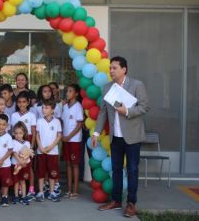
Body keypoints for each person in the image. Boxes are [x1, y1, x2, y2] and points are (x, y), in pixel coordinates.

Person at [91, 56, 150, 218]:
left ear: (124, 69)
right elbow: (103, 112)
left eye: (114, 68)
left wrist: (128, 112)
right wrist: (96, 133)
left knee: (132, 170)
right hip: (115, 138)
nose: (111, 71)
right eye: (110, 68)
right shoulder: (108, 87)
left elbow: (145, 107)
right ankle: (116, 201)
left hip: (132, 137)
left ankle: (131, 203)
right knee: (116, 170)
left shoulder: (137, 85)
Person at [10, 91, 37, 199]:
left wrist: (32, 146)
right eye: (19, 102)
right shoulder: (14, 115)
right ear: (17, 103)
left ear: (28, 102)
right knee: (18, 165)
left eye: (24, 102)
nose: (21, 104)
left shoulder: (31, 115)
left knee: (28, 166)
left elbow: (34, 132)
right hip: (16, 142)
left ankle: (31, 188)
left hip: (28, 142)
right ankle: (19, 189)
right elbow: (12, 131)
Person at [35, 100, 62, 202]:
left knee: (52, 173)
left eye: (46, 108)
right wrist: (41, 147)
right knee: (41, 173)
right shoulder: (39, 121)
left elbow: (59, 136)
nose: (43, 110)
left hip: (53, 152)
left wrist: (51, 147)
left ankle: (51, 192)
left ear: (53, 110)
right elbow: (37, 135)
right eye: (42, 107)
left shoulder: (57, 122)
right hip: (41, 151)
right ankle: (41, 192)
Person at [61, 84, 84, 199]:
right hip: (65, 139)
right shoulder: (65, 106)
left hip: (74, 140)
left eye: (70, 91)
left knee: (75, 165)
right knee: (68, 164)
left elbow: (80, 124)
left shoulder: (78, 106)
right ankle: (69, 189)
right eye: (67, 91)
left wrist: (69, 136)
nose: (67, 93)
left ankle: (75, 190)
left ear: (76, 94)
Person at [11, 122, 32, 205]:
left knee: (23, 181)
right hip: (16, 164)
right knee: (16, 181)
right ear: (13, 133)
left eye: (20, 133)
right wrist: (20, 161)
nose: (18, 135)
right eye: (16, 133)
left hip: (24, 165)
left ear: (24, 133)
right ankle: (16, 196)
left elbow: (28, 153)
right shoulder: (13, 142)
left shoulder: (27, 143)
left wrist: (24, 161)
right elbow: (14, 153)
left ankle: (24, 196)